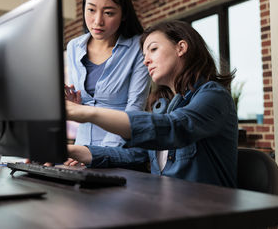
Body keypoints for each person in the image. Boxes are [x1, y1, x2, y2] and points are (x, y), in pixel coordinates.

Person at [65, 20, 238, 188]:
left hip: (209, 210)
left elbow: (174, 128)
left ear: (181, 48)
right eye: (144, 55)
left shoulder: (214, 95)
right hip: (167, 207)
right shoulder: (164, 107)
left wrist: (87, 112)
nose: (145, 61)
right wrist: (73, 150)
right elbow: (135, 155)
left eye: (153, 49)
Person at [65, 0, 150, 148]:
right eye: (91, 10)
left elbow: (135, 109)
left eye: (109, 13)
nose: (97, 21)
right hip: (81, 146)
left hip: (120, 149)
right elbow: (83, 105)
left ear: (124, 14)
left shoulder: (139, 47)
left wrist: (99, 154)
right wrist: (76, 105)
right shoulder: (74, 46)